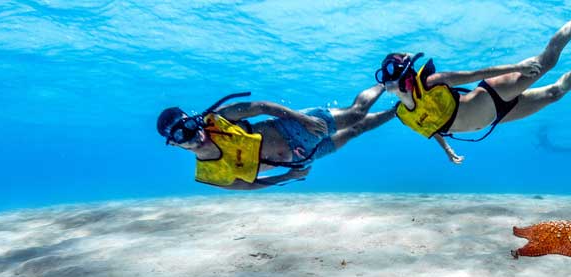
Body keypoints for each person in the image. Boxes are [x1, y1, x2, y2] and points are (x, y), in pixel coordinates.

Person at [376, 10, 571, 164]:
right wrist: (447, 150)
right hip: (498, 117)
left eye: (400, 81)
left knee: (546, 62)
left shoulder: (431, 83)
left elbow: (475, 74)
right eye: (391, 84)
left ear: (407, 78)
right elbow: (432, 127)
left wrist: (518, 67)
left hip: (492, 94)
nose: (397, 86)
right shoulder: (404, 115)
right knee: (555, 94)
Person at [156, 86, 394, 189]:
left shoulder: (218, 118)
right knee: (355, 131)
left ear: (192, 118)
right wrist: (288, 176)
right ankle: (398, 111)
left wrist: (303, 119)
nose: (195, 135)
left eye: (189, 125)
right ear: (174, 143)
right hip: (300, 160)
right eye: (183, 136)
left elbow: (260, 106)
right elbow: (246, 186)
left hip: (296, 128)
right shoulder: (210, 173)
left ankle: (386, 81)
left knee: (356, 114)